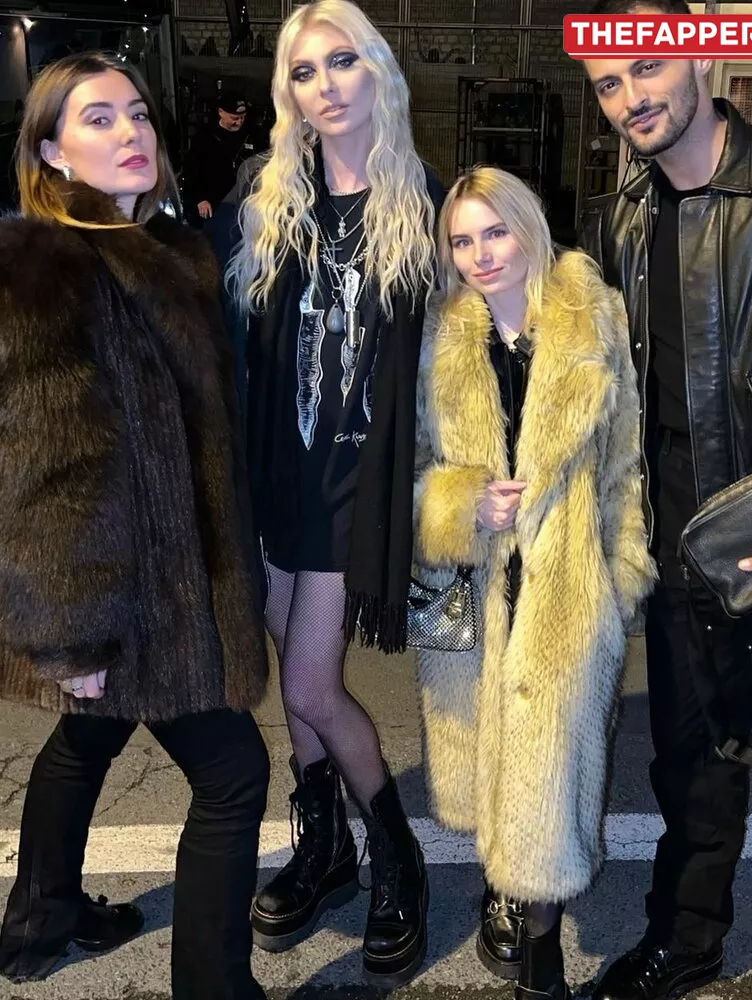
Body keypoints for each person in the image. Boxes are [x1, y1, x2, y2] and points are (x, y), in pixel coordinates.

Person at [580, 2, 752, 998]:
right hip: (676, 545)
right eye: (608, 83)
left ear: (703, 53)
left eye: (647, 66)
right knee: (690, 769)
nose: (631, 96)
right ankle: (687, 940)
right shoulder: (620, 216)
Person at [0, 53, 270, 1000]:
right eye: (99, 119)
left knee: (89, 738)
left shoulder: (163, 251)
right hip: (133, 593)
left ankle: (41, 917)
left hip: (164, 576)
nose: (131, 133)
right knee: (234, 776)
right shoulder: (47, 263)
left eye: (138, 114)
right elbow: (46, 464)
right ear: (51, 151)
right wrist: (70, 637)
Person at [217, 0, 445, 988]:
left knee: (312, 684)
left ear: (377, 71)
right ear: (289, 92)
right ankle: (326, 845)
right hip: (275, 471)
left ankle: (398, 856)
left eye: (342, 62)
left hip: (358, 481)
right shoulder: (266, 195)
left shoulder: (423, 201)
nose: (326, 86)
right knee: (290, 671)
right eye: (305, 72)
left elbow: (463, 347)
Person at [412, 166, 656, 1000]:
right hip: (475, 589)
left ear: (529, 227)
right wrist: (458, 502)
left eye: (496, 232)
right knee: (491, 760)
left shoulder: (594, 318)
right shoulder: (440, 336)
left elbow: (625, 467)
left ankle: (539, 949)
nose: (482, 254)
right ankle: (502, 885)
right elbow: (409, 467)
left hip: (565, 589)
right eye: (463, 240)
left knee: (548, 774)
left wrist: (618, 583)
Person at [182, 90, 255, 224]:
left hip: (243, 200)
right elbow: (191, 171)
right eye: (234, 118)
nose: (239, 122)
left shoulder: (249, 135)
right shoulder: (205, 137)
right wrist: (200, 199)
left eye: (242, 117)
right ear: (221, 112)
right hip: (214, 201)